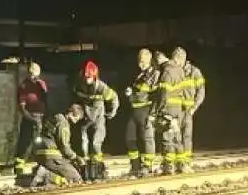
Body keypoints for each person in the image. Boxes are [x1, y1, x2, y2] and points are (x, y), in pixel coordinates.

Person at [73, 60, 119, 180]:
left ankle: (97, 164)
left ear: (94, 76)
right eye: (86, 77)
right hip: (86, 117)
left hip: (98, 117)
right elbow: (76, 97)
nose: (87, 79)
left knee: (96, 142)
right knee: (83, 140)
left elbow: (114, 97)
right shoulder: (80, 86)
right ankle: (85, 161)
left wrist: (113, 111)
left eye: (89, 77)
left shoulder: (101, 87)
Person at [124, 48, 160, 177]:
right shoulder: (139, 75)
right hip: (135, 110)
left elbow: (157, 96)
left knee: (147, 139)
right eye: (139, 61)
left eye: (143, 61)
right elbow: (137, 91)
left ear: (150, 59)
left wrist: (153, 114)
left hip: (146, 109)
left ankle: (147, 165)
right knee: (130, 138)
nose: (141, 64)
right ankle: (135, 165)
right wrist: (129, 93)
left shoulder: (155, 74)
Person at [30, 104, 86, 187]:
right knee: (76, 179)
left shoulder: (55, 118)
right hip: (52, 156)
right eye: (77, 118)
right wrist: (76, 157)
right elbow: (64, 146)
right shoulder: (63, 123)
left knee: (66, 167)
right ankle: (45, 176)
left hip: (41, 154)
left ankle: (42, 171)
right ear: (71, 113)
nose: (76, 121)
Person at [172, 47, 206, 172]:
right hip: (175, 109)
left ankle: (186, 163)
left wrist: (194, 107)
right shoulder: (173, 72)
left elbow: (201, 91)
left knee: (186, 137)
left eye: (178, 59)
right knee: (174, 136)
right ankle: (178, 162)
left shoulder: (194, 72)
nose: (176, 62)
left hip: (187, 110)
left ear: (183, 59)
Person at [151, 49, 184, 175]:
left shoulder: (166, 72)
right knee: (177, 138)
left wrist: (160, 111)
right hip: (177, 109)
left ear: (158, 60)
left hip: (168, 109)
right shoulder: (179, 70)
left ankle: (168, 166)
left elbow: (163, 94)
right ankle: (181, 164)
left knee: (167, 139)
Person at [14, 62, 48, 175]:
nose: (34, 77)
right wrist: (31, 118)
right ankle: (19, 166)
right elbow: (22, 107)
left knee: (40, 143)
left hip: (41, 117)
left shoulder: (41, 84)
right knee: (25, 141)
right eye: (31, 74)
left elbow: (46, 100)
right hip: (29, 117)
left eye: (36, 74)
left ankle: (40, 165)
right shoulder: (24, 86)